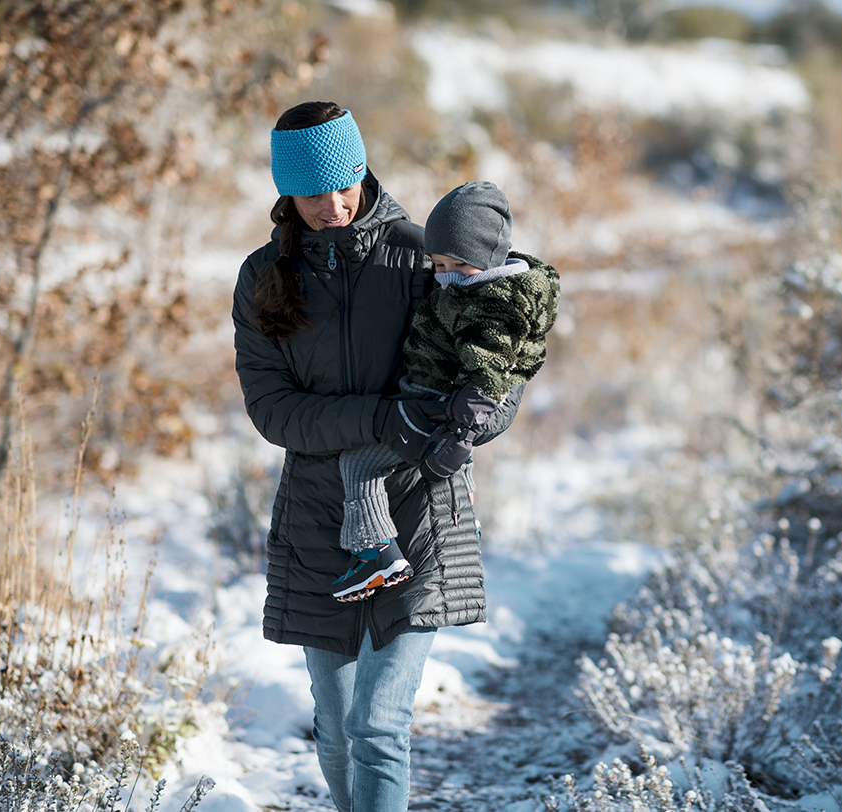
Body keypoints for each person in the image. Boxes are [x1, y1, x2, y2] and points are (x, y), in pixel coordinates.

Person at [231, 101, 523, 812]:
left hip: (420, 508)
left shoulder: (425, 256)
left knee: (378, 724)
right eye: (312, 193)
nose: (333, 205)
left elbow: (500, 367)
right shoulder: (263, 277)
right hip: (319, 516)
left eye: (347, 183)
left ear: (363, 169)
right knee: (333, 726)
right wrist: (381, 419)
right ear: (285, 194)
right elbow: (273, 409)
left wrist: (479, 416)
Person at [333, 181, 560, 602]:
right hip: (438, 405)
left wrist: (460, 436)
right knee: (453, 469)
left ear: (487, 259)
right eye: (437, 265)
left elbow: (488, 381)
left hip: (437, 409)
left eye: (457, 264)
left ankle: (374, 551)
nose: (445, 275)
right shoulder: (476, 290)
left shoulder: (491, 307)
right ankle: (464, 522)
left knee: (359, 465)